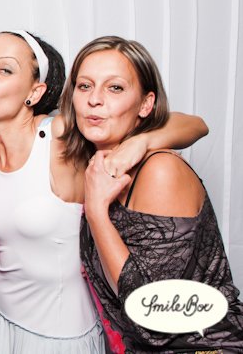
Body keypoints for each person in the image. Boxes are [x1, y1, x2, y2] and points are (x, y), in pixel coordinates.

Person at [0, 31, 209, 354]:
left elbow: (196, 124)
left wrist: (142, 141)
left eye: (4, 69)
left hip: (57, 336)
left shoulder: (60, 134)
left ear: (35, 92)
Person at [64, 36, 243, 352]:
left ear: (146, 104)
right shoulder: (96, 168)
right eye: (85, 86)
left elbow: (154, 318)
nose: (95, 99)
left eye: (115, 88)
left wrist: (96, 211)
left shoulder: (160, 170)